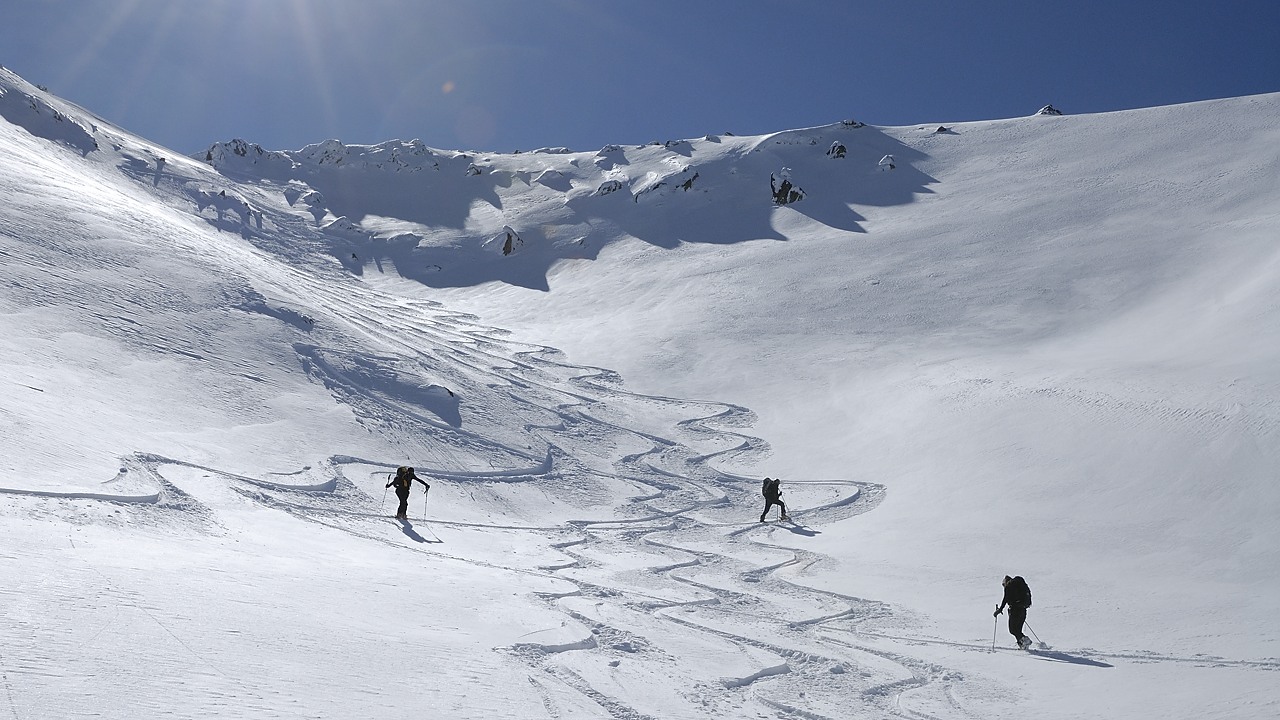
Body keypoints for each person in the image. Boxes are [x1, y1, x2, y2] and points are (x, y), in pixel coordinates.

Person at [994, 575, 1033, 648]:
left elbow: (1005, 599)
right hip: (1023, 609)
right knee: (1018, 630)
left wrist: (1000, 609)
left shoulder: (1009, 586)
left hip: (1015, 610)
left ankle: (1026, 640)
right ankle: (1022, 645)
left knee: (1012, 630)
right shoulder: (1019, 586)